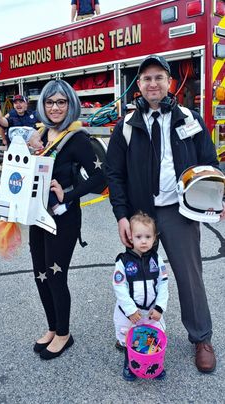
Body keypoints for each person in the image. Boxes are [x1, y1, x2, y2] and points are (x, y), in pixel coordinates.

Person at [106, 54, 225, 373]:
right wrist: (121, 215)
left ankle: (201, 337)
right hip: (140, 214)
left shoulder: (190, 118)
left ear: (169, 81)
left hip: (179, 211)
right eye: (146, 78)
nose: (153, 83)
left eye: (159, 77)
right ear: (139, 85)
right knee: (136, 276)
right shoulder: (127, 126)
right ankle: (135, 331)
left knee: (189, 276)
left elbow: (209, 164)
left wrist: (215, 198)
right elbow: (113, 173)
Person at [29, 79, 105, 360]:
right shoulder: (40, 135)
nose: (55, 107)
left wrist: (69, 193)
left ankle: (64, 333)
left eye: (61, 102)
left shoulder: (77, 139)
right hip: (36, 216)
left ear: (71, 104)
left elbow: (101, 177)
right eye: (50, 102)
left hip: (64, 219)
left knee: (56, 276)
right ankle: (52, 327)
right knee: (40, 275)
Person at [113, 211, 168, 381]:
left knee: (152, 337)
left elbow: (163, 284)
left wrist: (159, 307)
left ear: (154, 239)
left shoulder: (157, 260)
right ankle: (130, 363)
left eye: (148, 236)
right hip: (129, 313)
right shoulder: (122, 261)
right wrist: (130, 310)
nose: (143, 241)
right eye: (138, 236)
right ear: (131, 238)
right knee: (130, 338)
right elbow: (119, 287)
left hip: (151, 311)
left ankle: (154, 365)